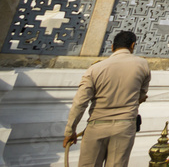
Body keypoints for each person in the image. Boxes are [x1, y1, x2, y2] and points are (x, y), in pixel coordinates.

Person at [64, 30, 151, 167]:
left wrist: (70, 130)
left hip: (96, 125)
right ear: (133, 45)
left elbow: (80, 103)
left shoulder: (95, 68)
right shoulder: (142, 65)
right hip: (125, 126)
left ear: (112, 47)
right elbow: (141, 95)